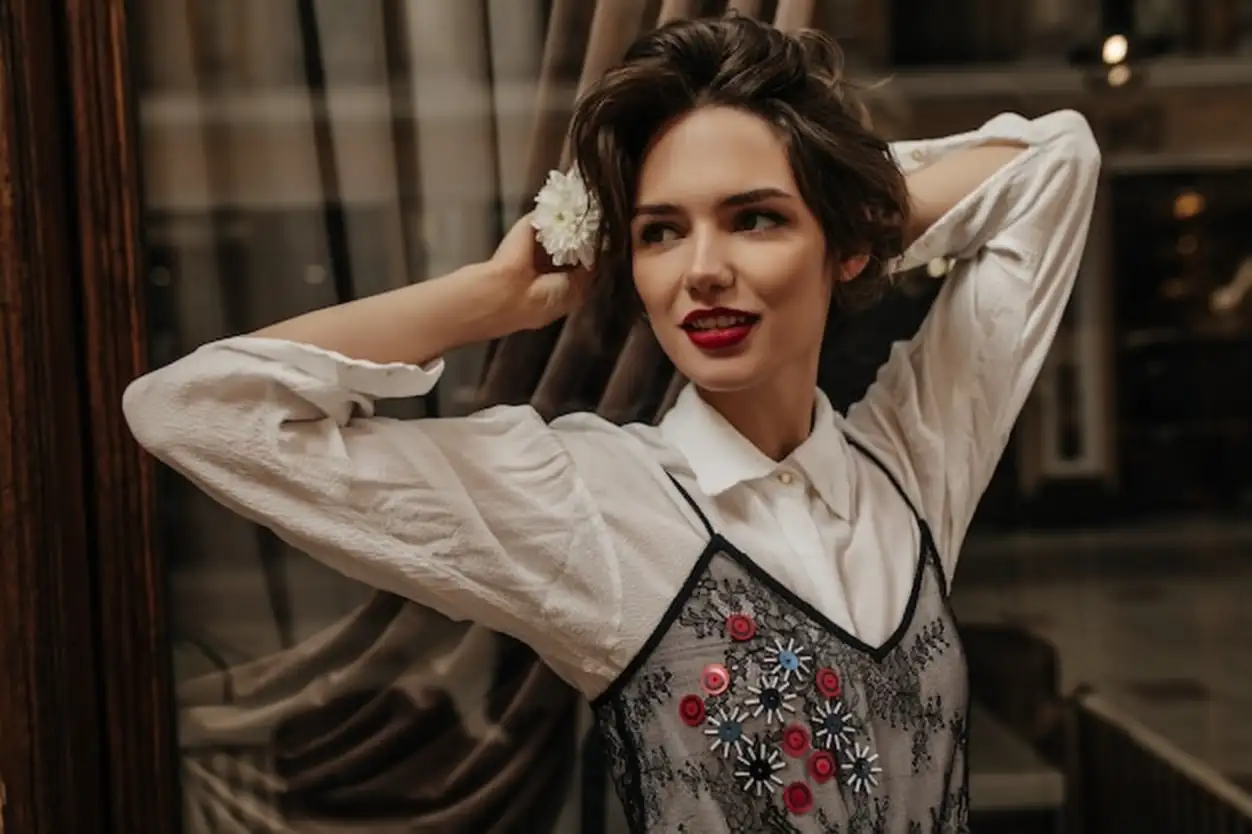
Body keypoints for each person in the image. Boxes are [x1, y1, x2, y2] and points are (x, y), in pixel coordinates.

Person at [123, 15, 1100, 834]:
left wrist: (850, 204)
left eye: (752, 218)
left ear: (843, 245)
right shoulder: (587, 501)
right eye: (660, 231)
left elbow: (1058, 159)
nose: (699, 269)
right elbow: (195, 410)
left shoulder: (909, 469)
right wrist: (491, 296)